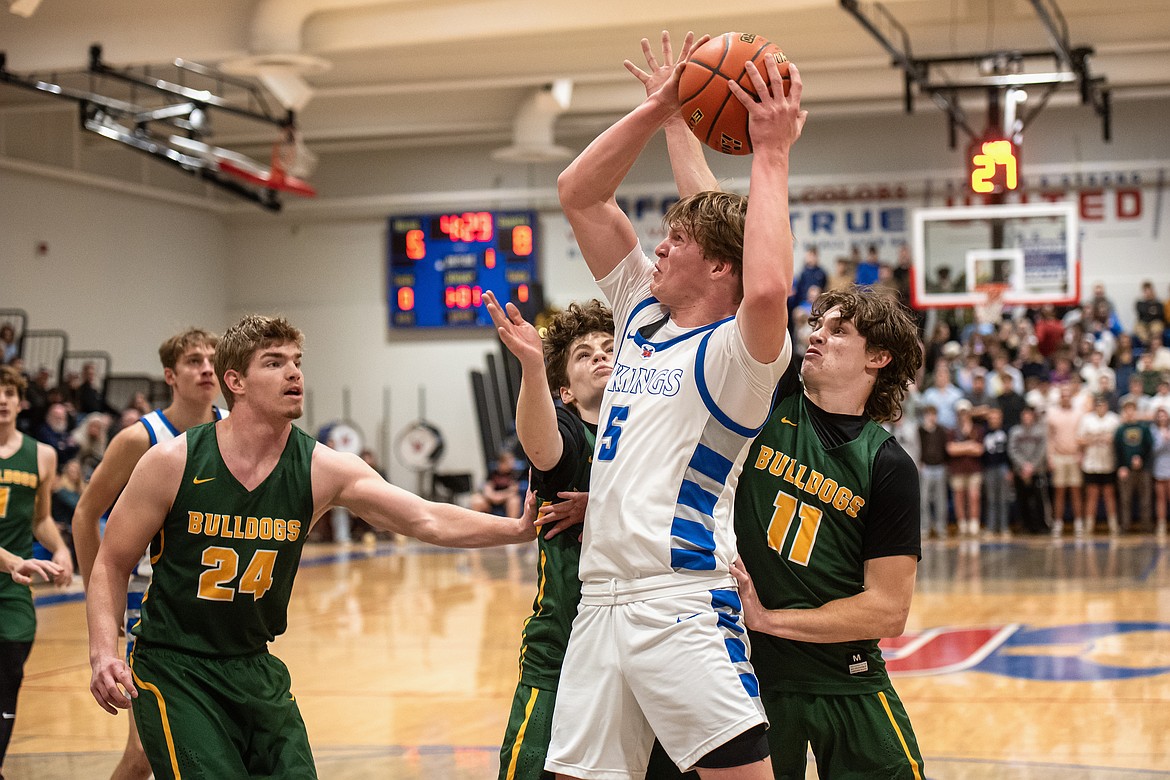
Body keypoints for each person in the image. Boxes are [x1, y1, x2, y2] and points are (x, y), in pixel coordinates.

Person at [86, 314, 537, 780]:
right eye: (275, 362)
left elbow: (425, 517)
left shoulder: (323, 467)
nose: (294, 372)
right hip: (176, 667)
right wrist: (104, 653)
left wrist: (518, 529)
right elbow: (112, 562)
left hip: (255, 664)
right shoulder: (171, 461)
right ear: (235, 380)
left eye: (297, 361)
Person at [545, 29, 805, 779]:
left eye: (676, 240)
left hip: (681, 601)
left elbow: (765, 285)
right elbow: (579, 193)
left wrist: (771, 152)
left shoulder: (740, 356)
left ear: (717, 265)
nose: (657, 249)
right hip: (600, 600)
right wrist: (665, 108)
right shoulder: (638, 315)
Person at [731, 286, 926, 779]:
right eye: (817, 324)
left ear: (878, 357)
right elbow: (756, 294)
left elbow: (888, 608)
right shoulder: (770, 399)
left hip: (849, 677)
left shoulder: (888, 465)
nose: (816, 334)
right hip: (750, 680)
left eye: (839, 330)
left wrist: (770, 619)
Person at [72, 327, 226, 780]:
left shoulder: (234, 429)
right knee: (143, 755)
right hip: (150, 608)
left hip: (214, 609)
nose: (206, 368)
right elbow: (85, 514)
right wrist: (100, 597)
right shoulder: (140, 438)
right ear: (170, 374)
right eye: (194, 360)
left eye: (213, 359)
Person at [0, 365, 73, 779]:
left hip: (13, 583)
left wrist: (60, 547)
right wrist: (11, 560)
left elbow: (41, 518)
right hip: (14, 566)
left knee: (11, 666)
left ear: (20, 400)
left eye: (9, 391)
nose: (3, 399)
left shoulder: (42, 455)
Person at [1077, 395, 1121, 536]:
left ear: (1107, 406)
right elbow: (1079, 440)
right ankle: (1089, 525)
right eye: (1098, 405)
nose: (1100, 407)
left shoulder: (1114, 419)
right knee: (1092, 495)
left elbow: (1121, 439)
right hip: (1091, 463)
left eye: (1103, 405)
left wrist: (1110, 439)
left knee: (1109, 494)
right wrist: (1094, 439)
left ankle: (1113, 525)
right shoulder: (1087, 419)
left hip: (1108, 462)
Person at [1047, 383, 1086, 537]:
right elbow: (1049, 438)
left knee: (1076, 491)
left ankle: (1078, 523)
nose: (1065, 397)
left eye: (1067, 394)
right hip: (1058, 457)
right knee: (1059, 492)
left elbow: (1082, 435)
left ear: (1072, 396)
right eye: (1062, 394)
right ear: (1059, 397)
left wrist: (1081, 454)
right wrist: (1050, 457)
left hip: (1074, 456)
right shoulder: (1052, 414)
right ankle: (1058, 523)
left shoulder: (1079, 413)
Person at [1008, 405, 1051, 534]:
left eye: (1029, 415)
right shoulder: (1015, 431)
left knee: (1039, 499)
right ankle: (1024, 525)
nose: (1027, 417)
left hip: (1037, 471)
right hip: (1020, 472)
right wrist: (1023, 465)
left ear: (1033, 416)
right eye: (1024, 415)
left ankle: (1041, 526)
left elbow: (1042, 450)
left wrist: (1032, 465)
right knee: (1022, 499)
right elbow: (1012, 450)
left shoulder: (1040, 431)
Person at [946, 401, 985, 537]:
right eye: (960, 413)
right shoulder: (952, 430)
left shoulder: (977, 429)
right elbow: (951, 449)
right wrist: (969, 446)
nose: (963, 416)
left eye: (965, 413)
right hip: (957, 469)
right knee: (959, 497)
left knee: (974, 496)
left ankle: (974, 524)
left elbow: (980, 449)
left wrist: (960, 447)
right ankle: (962, 525)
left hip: (974, 468)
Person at [1114, 399, 1154, 533]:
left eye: (1132, 410)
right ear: (1124, 412)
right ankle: (1125, 526)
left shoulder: (1144, 428)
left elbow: (1150, 447)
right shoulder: (1120, 430)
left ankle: (1146, 526)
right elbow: (1117, 450)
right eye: (1127, 410)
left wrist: (1142, 459)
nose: (1130, 413)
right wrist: (1122, 466)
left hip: (1144, 469)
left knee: (1146, 499)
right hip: (1126, 469)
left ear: (1136, 411)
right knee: (1125, 499)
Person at [918, 404, 950, 539]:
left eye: (934, 414)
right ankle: (925, 527)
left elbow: (946, 449)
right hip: (926, 467)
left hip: (940, 467)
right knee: (924, 499)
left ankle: (941, 527)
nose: (931, 417)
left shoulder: (942, 430)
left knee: (940, 500)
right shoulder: (921, 430)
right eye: (929, 414)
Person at [982, 407, 1011, 538]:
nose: (994, 420)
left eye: (996, 418)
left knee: (1003, 498)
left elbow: (1010, 451)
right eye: (991, 418)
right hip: (989, 468)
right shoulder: (984, 432)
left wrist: (1010, 469)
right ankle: (991, 528)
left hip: (1003, 467)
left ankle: (1004, 527)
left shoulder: (1006, 431)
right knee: (991, 499)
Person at [471, 448, 524, 518]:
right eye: (509, 462)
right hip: (491, 498)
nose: (512, 464)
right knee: (476, 500)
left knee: (514, 500)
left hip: (506, 499)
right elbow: (488, 491)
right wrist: (494, 497)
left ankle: (512, 524)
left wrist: (499, 497)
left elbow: (513, 491)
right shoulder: (492, 473)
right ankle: (481, 526)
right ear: (501, 463)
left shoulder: (514, 474)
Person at [1151, 408, 1170, 538]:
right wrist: (1163, 441)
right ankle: (1161, 524)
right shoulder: (1152, 430)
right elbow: (1152, 449)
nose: (1162, 418)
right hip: (1158, 466)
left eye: (1164, 416)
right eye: (1160, 416)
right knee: (1160, 498)